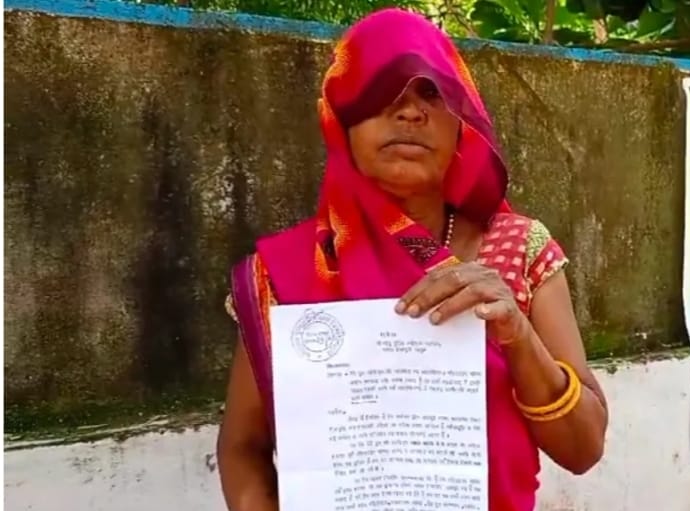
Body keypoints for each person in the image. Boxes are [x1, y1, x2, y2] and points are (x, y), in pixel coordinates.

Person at [216, 8, 608, 511]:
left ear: (462, 123)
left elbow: (583, 448)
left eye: (432, 93)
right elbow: (243, 448)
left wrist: (518, 336)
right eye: (382, 90)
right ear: (341, 118)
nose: (409, 113)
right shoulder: (286, 271)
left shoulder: (516, 250)